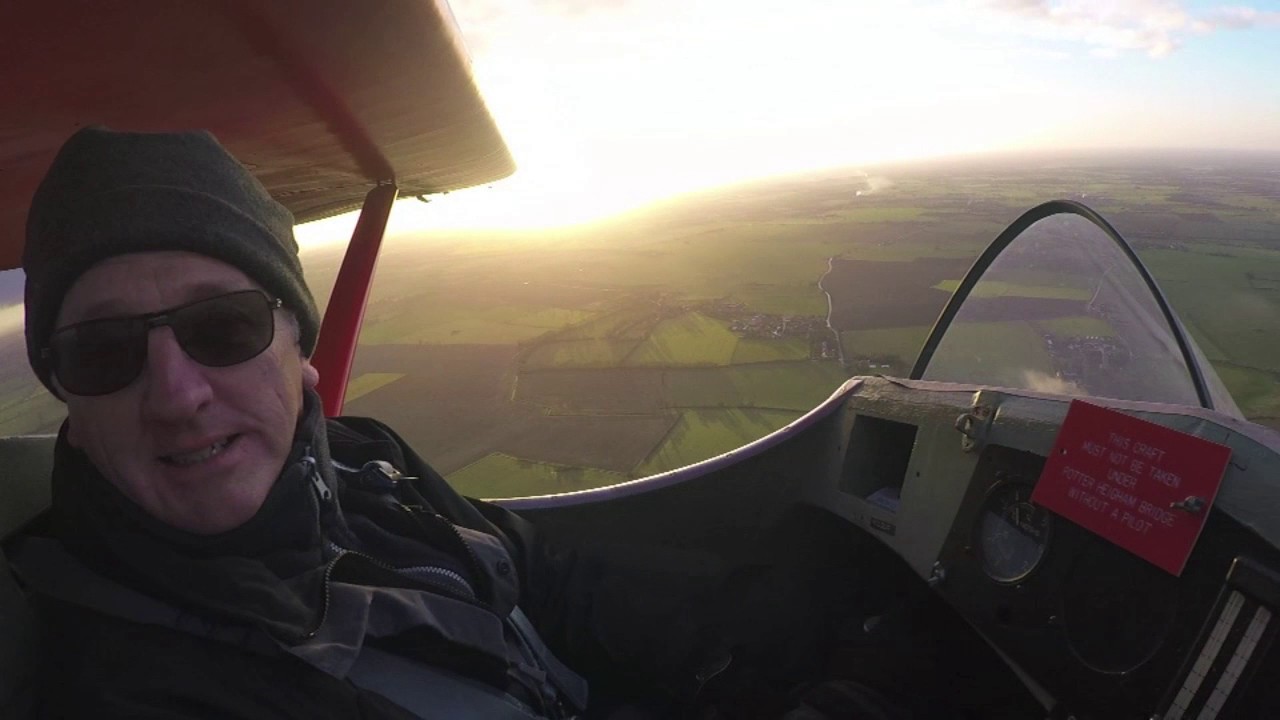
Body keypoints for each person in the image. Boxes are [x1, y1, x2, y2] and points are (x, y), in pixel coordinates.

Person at [8, 127, 608, 719]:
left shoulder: (367, 458)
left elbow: (550, 581)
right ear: (71, 405)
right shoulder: (117, 687)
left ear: (300, 355)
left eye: (223, 325)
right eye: (103, 350)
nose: (177, 396)